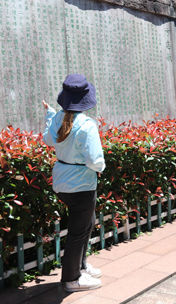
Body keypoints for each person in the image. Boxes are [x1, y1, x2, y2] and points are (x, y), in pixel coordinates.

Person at [43, 74, 105, 293]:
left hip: (63, 182)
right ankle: (72, 278)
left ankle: (81, 266)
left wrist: (49, 115)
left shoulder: (58, 119)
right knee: (78, 232)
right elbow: (95, 160)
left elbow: (48, 139)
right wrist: (101, 168)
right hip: (82, 185)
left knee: (88, 223)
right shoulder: (87, 125)